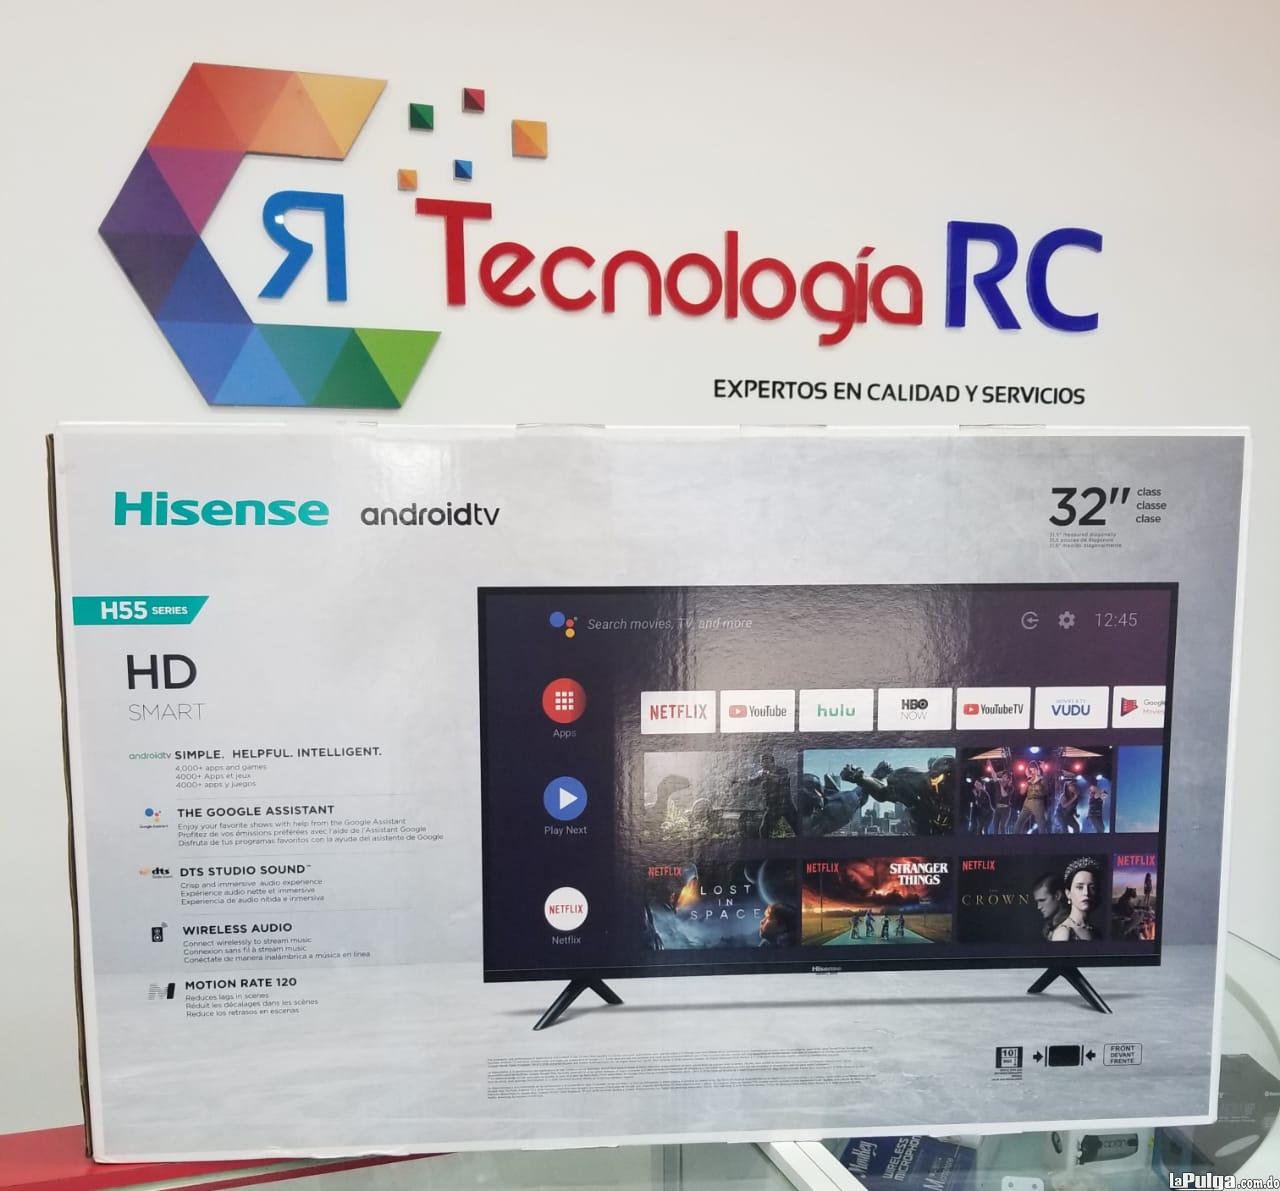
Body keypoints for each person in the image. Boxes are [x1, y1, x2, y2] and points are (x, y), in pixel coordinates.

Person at [745, 752, 797, 839]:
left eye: (767, 761)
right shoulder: (762, 774)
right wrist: (738, 781)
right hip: (773, 807)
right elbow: (752, 782)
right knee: (764, 831)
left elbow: (781, 779)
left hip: (786, 806)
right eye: (763, 762)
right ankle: (765, 846)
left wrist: (767, 774)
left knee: (798, 828)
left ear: (772, 762)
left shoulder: (782, 770)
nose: (764, 764)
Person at [1051, 857, 1101, 941]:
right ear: (1068, 893)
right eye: (1080, 887)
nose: (1086, 893)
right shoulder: (1063, 932)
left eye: (1092, 887)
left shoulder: (1095, 931)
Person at [1013, 762, 1048, 834]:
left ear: (1037, 770)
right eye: (1030, 771)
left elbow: (1045, 789)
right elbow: (1022, 792)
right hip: (1027, 802)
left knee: (1041, 825)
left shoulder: (1042, 779)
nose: (1032, 772)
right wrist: (1028, 781)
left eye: (1033, 770)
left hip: (1037, 802)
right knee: (1018, 823)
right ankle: (1015, 839)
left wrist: (1044, 770)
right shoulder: (1028, 780)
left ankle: (1044, 840)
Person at [1032, 871, 1068, 939]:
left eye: (1042, 900)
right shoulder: (1050, 927)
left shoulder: (1066, 928)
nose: (1039, 907)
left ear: (1057, 895)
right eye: (1037, 902)